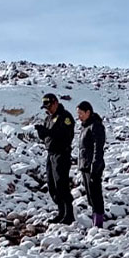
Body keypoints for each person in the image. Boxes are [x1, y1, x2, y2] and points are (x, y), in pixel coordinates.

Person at [33, 92, 75, 224]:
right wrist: (42, 133)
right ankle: (61, 211)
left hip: (62, 154)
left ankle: (68, 214)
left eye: (49, 106)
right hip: (51, 154)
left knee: (62, 184)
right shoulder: (48, 118)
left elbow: (66, 135)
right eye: (46, 108)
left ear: (56, 103)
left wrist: (49, 133)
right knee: (52, 185)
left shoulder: (65, 117)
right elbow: (47, 136)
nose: (48, 109)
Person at [76, 101, 107, 228]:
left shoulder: (96, 126)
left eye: (81, 113)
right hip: (85, 165)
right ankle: (95, 220)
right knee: (90, 195)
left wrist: (95, 165)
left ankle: (98, 222)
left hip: (93, 166)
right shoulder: (85, 126)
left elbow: (98, 148)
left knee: (95, 195)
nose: (79, 116)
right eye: (78, 114)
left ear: (88, 112)